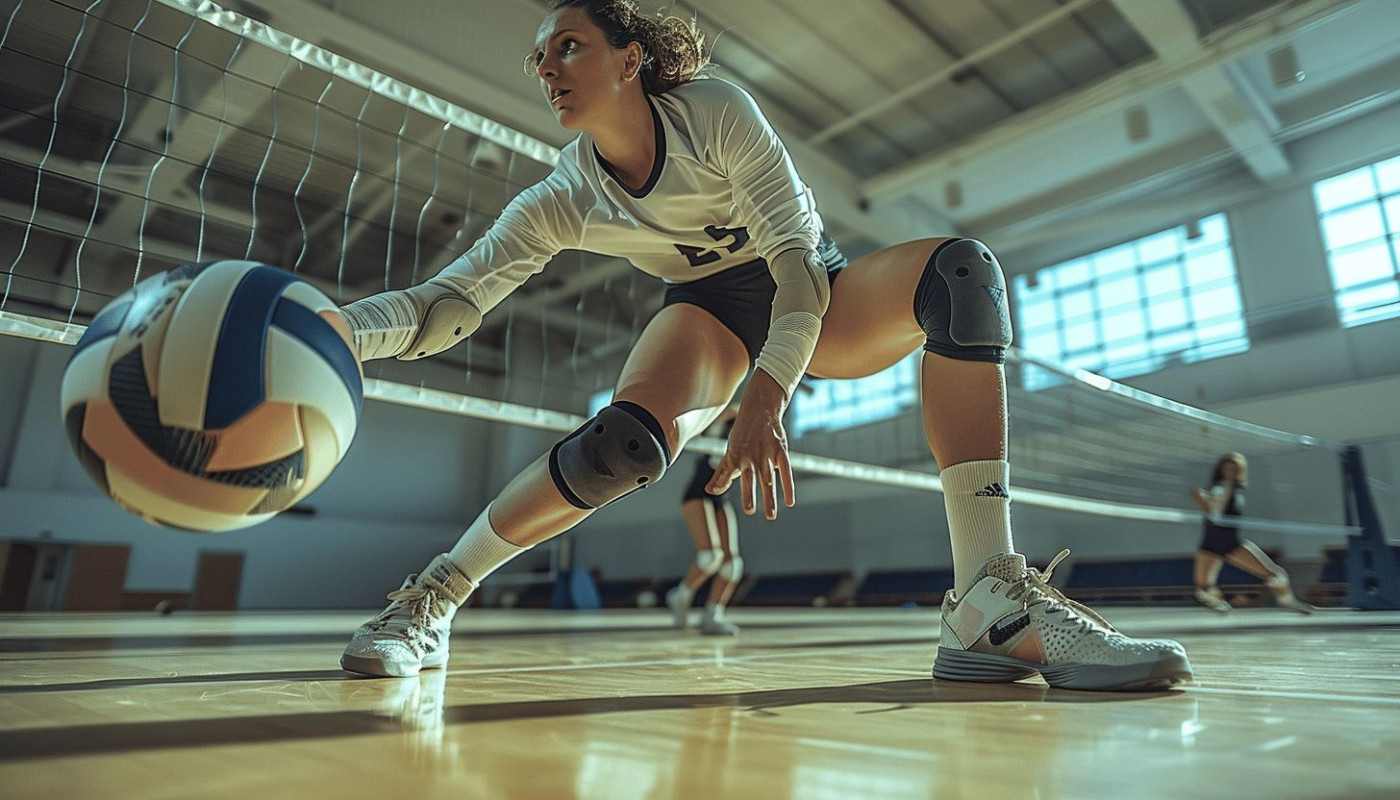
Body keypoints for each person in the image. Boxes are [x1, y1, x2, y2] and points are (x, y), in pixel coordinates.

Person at [337, 0, 1192, 691]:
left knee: (961, 276)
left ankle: (987, 604)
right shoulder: (564, 196)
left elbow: (797, 268)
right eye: (539, 58)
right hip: (709, 310)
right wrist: (340, 333)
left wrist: (769, 391)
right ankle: (433, 597)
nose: (548, 68)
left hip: (813, 289)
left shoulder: (714, 113)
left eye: (568, 45)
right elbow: (449, 304)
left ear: (629, 59)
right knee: (620, 446)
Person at [1190, 453, 1313, 614]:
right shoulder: (1219, 487)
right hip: (1210, 542)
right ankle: (1219, 604)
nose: (1230, 471)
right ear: (1221, 470)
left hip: (1230, 542)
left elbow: (1218, 510)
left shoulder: (1237, 489)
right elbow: (1214, 510)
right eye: (1227, 468)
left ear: (1240, 471)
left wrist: (1209, 502)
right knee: (1203, 588)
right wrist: (1205, 500)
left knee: (1275, 574)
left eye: (1234, 468)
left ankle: (1288, 601)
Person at [665, 407, 742, 635]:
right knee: (711, 555)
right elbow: (730, 410)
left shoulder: (743, 432)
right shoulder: (716, 421)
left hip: (721, 495)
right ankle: (681, 595)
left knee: (733, 564)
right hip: (699, 491)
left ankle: (713, 614)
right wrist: (755, 405)